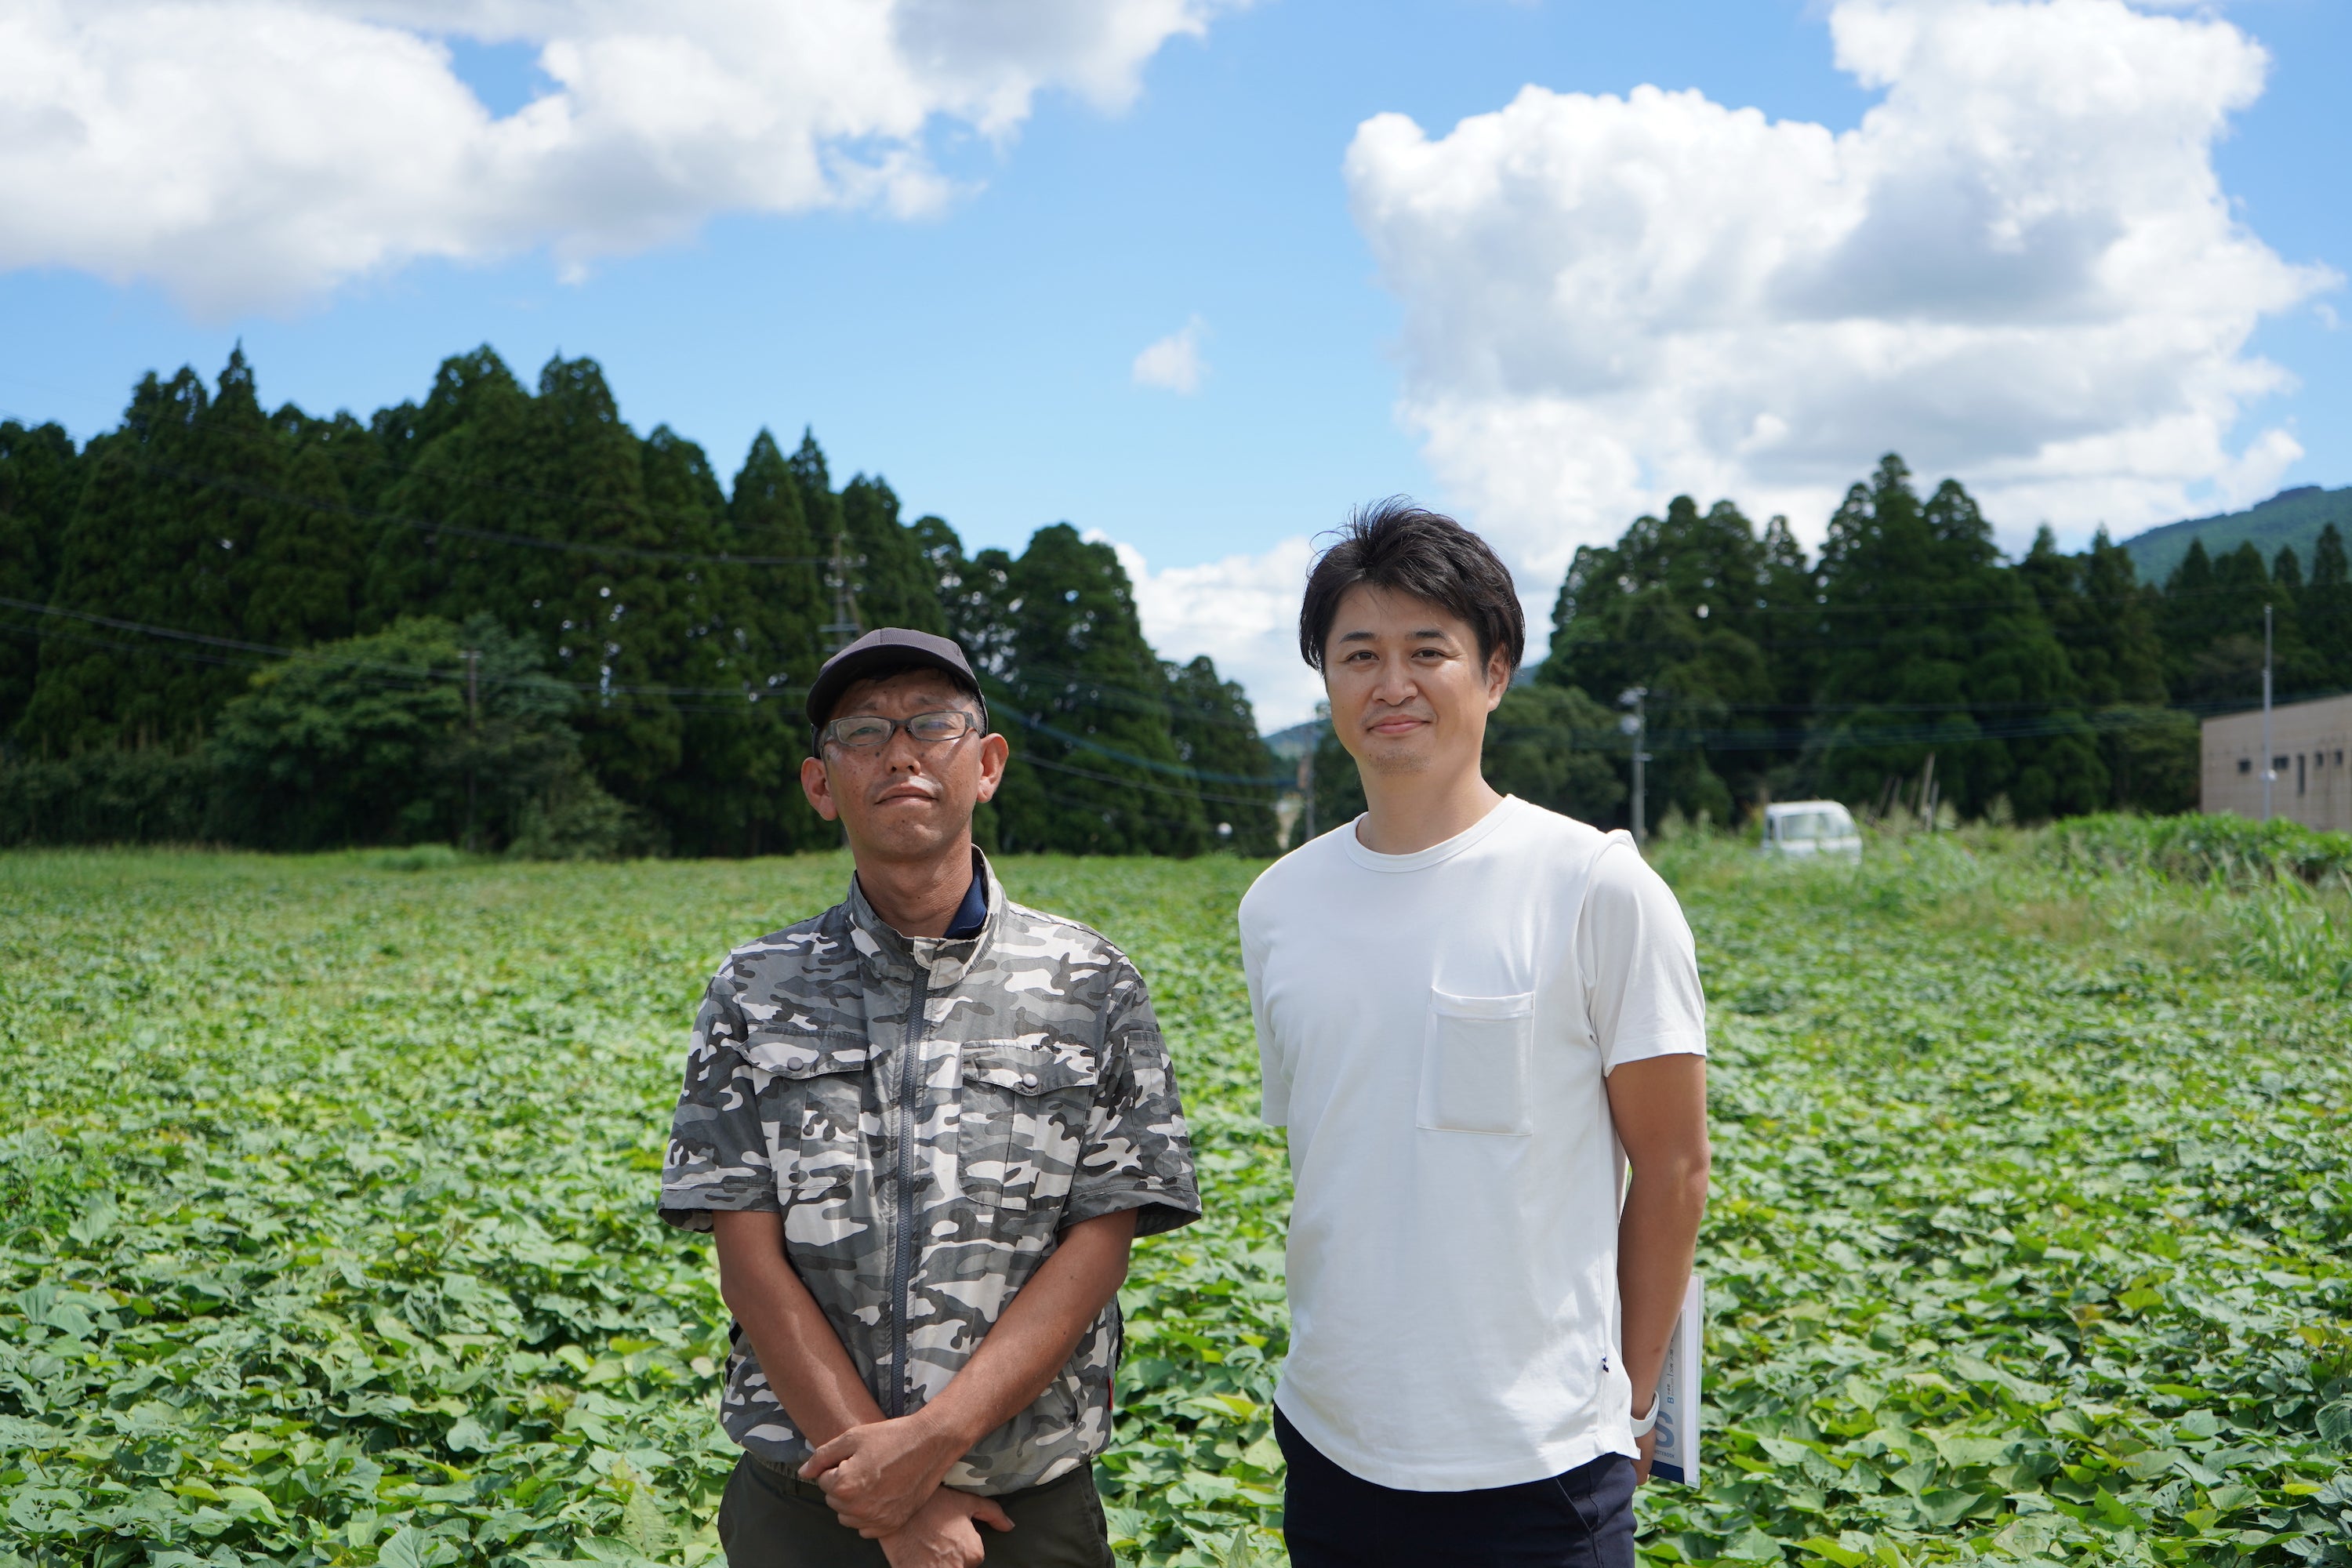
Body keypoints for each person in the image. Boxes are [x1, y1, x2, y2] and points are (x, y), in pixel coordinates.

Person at [659, 627, 1203, 1568]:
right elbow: (747, 1257)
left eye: (932, 725)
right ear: (821, 782)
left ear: (987, 764)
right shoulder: (754, 987)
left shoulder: (1090, 981)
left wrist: (935, 1441)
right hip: (807, 1499)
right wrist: (890, 1497)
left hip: (1020, 1501)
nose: (900, 752)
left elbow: (1101, 1240)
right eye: (862, 732)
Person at [1240, 503, 1711, 1568]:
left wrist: (1630, 1401)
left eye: (1428, 652)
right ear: (1326, 680)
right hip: (1333, 1443)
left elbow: (1675, 1168)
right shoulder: (1278, 906)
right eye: (1359, 654)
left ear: (1495, 673)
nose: (1390, 685)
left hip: (1542, 1463)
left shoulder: (1595, 885)